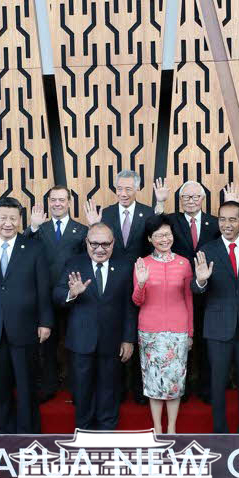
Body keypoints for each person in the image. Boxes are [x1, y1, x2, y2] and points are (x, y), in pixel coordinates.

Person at [0, 197, 54, 433]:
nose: (8, 223)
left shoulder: (34, 248)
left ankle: (28, 433)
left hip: (25, 326)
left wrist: (45, 321)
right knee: (0, 385)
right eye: (3, 218)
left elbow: (43, 287)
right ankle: (2, 433)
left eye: (13, 218)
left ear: (19, 220)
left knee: (26, 386)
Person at [192, 201, 239, 433]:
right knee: (217, 383)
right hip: (217, 326)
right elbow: (196, 290)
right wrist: (201, 280)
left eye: (232, 219)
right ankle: (220, 432)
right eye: (223, 219)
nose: (227, 224)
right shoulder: (206, 249)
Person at [54, 224, 137, 430]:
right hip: (82, 340)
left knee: (110, 389)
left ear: (113, 243)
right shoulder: (74, 263)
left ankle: (107, 432)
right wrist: (72, 293)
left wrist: (128, 339)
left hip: (113, 341)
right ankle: (84, 431)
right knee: (82, 390)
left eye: (105, 244)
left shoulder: (126, 266)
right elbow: (57, 294)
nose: (100, 249)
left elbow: (130, 306)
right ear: (87, 243)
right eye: (94, 244)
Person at [85, 169, 155, 405]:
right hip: (112, 278)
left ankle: (138, 390)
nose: (123, 193)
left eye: (128, 188)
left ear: (137, 189)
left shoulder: (148, 213)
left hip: (141, 279)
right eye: (119, 189)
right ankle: (117, 390)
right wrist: (92, 225)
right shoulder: (105, 214)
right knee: (116, 333)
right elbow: (96, 244)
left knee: (137, 330)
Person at [153, 179, 219, 404]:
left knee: (206, 342)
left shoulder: (215, 223)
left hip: (209, 291)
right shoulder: (171, 220)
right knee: (182, 343)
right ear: (180, 201)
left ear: (202, 199)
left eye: (195, 197)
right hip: (178, 292)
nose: (190, 201)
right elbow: (154, 227)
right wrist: (160, 204)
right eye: (185, 197)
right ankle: (183, 389)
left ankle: (207, 388)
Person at [132, 215, 193, 434]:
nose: (164, 239)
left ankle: (172, 428)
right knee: (154, 383)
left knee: (175, 384)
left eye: (167, 234)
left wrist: (190, 333)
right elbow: (137, 300)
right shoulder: (142, 264)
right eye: (158, 235)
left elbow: (188, 299)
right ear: (150, 238)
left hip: (178, 331)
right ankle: (157, 428)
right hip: (150, 332)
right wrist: (140, 283)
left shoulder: (184, 263)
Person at [27, 185, 88, 402]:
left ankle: (75, 388)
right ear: (48, 202)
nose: (57, 204)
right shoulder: (39, 229)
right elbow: (23, 250)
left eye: (62, 200)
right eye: (53, 200)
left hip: (73, 296)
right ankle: (49, 386)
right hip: (44, 296)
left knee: (73, 343)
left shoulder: (81, 230)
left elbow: (88, 260)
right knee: (46, 345)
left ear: (69, 202)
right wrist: (31, 228)